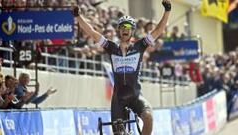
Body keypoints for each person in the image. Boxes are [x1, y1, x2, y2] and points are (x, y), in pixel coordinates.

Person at [72, 1, 171, 134]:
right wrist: (78, 17)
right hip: (119, 99)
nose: (125, 29)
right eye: (122, 27)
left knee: (148, 117)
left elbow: (158, 30)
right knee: (119, 133)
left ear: (132, 31)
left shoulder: (139, 46)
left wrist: (167, 11)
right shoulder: (111, 47)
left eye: (128, 27)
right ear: (119, 30)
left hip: (136, 96)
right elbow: (92, 32)